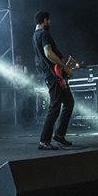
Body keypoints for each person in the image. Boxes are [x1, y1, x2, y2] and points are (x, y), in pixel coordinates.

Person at [33, 11, 74, 150]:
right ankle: (44, 141)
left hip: (54, 75)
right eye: (49, 20)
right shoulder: (43, 34)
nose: (50, 23)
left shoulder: (35, 35)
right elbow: (48, 53)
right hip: (53, 75)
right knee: (55, 106)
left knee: (69, 102)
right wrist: (65, 67)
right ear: (45, 20)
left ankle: (59, 135)